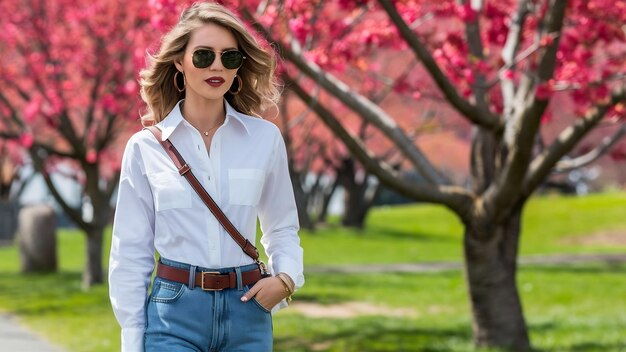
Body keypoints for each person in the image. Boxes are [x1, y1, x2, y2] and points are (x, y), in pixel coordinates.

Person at [108, 3, 304, 351]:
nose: (217, 66)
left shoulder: (264, 139)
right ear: (179, 62)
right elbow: (130, 254)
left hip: (249, 309)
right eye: (203, 56)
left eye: (229, 57)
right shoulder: (145, 149)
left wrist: (286, 279)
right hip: (174, 313)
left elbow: (282, 226)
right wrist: (132, 340)